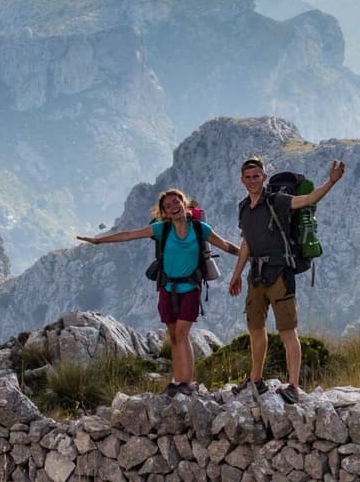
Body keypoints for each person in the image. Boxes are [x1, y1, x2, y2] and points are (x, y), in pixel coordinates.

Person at [76, 188, 240, 391]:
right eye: (168, 206)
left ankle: (186, 382)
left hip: (190, 288)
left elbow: (225, 245)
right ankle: (177, 380)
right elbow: (129, 235)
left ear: (184, 203)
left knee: (181, 334)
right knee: (173, 336)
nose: (173, 207)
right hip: (167, 287)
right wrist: (99, 240)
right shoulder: (162, 229)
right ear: (164, 212)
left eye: (176, 202)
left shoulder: (200, 228)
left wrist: (247, 254)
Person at [227, 155, 346, 403]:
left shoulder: (277, 201)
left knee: (287, 331)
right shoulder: (243, 208)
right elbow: (247, 242)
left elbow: (309, 199)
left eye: (256, 176)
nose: (252, 181)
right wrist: (236, 275)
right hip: (256, 277)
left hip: (281, 274)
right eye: (248, 177)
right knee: (255, 329)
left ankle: (293, 385)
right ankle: (256, 379)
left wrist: (331, 182)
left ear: (264, 177)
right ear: (242, 180)